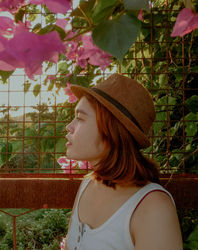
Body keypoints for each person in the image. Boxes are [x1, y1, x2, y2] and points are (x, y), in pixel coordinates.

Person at [64, 73, 183, 250]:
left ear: (111, 131)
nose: (69, 126)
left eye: (80, 118)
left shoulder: (154, 208)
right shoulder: (88, 184)